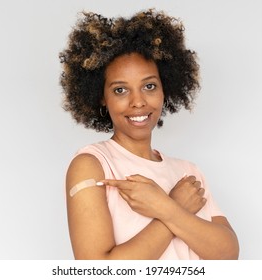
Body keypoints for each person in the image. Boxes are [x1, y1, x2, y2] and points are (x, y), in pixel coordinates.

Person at [60, 9, 239, 260]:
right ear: (102, 96)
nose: (138, 102)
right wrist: (174, 208)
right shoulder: (93, 166)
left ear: (165, 88)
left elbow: (228, 255)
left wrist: (166, 208)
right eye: (121, 90)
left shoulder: (188, 173)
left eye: (149, 86)